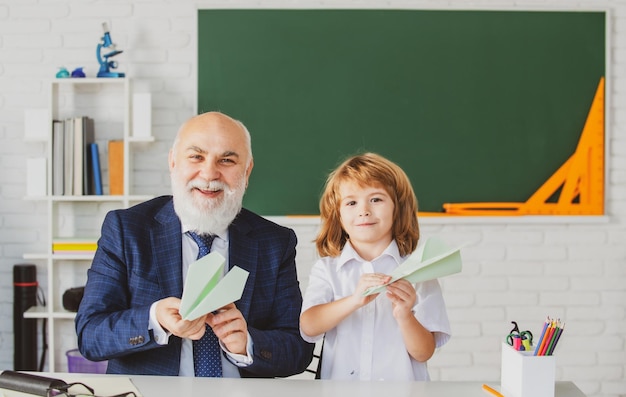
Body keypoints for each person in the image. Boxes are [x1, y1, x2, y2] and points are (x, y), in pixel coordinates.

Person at [75, 111, 314, 377]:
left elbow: (298, 348)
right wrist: (154, 319)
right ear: (173, 162)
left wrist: (248, 344)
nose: (210, 173)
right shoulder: (126, 229)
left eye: (226, 160)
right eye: (196, 157)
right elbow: (89, 336)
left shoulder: (275, 242)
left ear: (247, 171)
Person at [299, 152, 450, 380]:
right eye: (351, 202)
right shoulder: (327, 270)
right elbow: (309, 326)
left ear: (397, 208)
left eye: (376, 199)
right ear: (337, 214)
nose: (364, 210)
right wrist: (353, 301)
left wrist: (405, 315)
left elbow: (424, 352)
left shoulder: (419, 271)